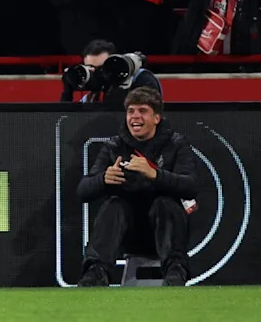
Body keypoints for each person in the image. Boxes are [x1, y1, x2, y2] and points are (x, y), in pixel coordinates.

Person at [77, 86, 198, 287]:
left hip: (166, 232)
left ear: (156, 118)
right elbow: (83, 191)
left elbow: (191, 186)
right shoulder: (114, 147)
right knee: (114, 205)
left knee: (165, 204)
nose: (135, 117)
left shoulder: (176, 144)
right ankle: (96, 273)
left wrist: (155, 174)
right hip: (126, 234)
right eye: (131, 111)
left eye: (142, 111)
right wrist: (103, 179)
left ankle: (176, 273)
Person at [60, 39, 163, 111]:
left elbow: (146, 116)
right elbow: (66, 121)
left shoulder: (141, 79)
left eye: (102, 68)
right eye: (91, 68)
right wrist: (67, 91)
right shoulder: (92, 96)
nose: (97, 74)